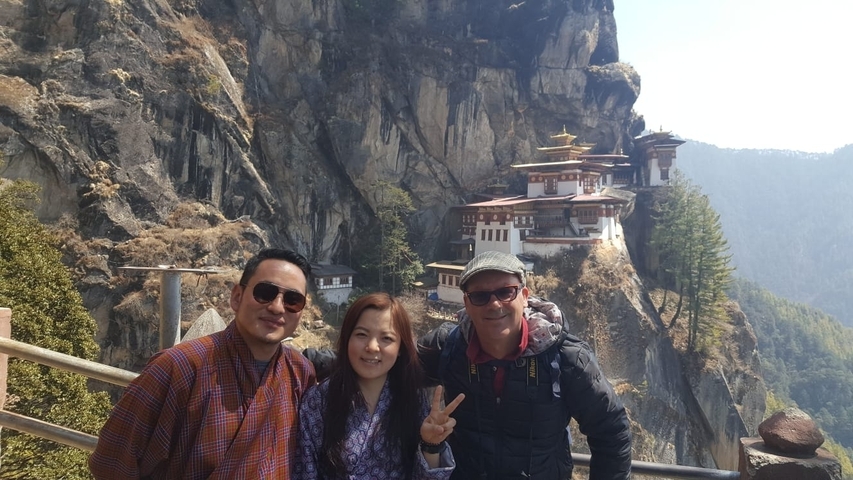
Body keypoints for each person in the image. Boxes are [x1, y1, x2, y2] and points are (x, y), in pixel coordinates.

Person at [89, 248, 316, 479]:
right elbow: (112, 462)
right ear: (237, 297)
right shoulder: (177, 367)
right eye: (265, 293)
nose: (277, 307)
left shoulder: (300, 373)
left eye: (292, 300)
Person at [417, 251, 632, 479]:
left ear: (525, 296)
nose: (495, 304)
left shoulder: (566, 357)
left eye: (506, 292)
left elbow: (611, 431)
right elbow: (396, 370)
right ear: (467, 304)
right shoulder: (448, 347)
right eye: (480, 296)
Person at [297, 293, 465, 479]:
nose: (372, 347)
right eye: (361, 334)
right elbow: (305, 471)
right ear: (347, 339)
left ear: (400, 348)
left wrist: (431, 444)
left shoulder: (413, 400)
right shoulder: (318, 400)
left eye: (386, 338)